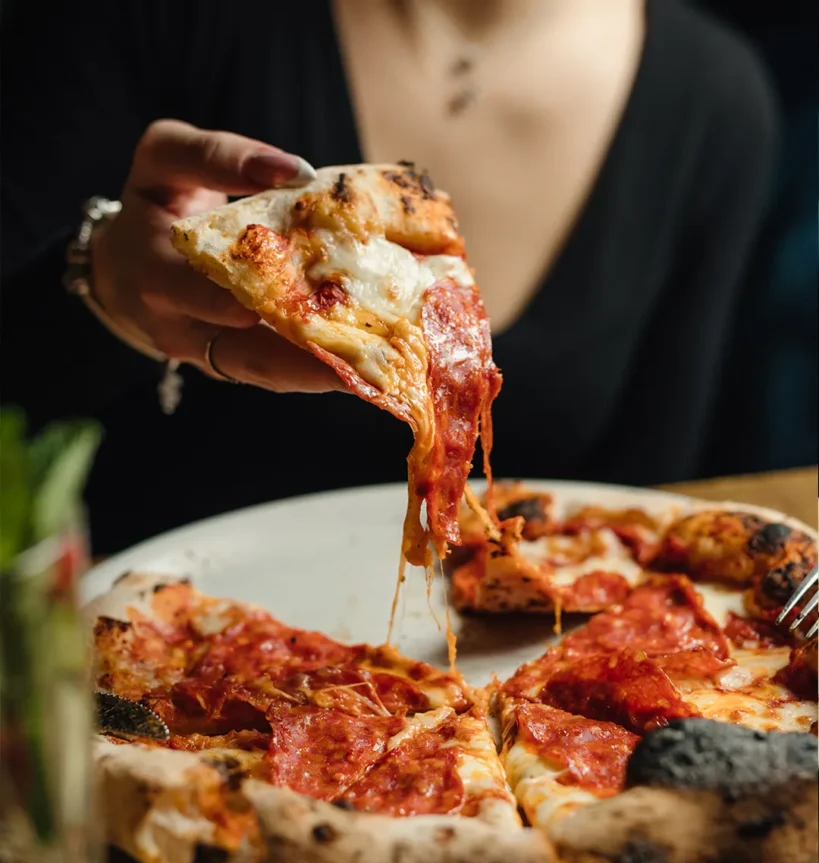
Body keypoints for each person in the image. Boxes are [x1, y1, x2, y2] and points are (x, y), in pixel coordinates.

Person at [1, 0, 776, 554]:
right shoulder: (150, 18)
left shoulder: (717, 104)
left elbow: (641, 515)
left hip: (496, 693)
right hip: (134, 668)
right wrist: (97, 290)